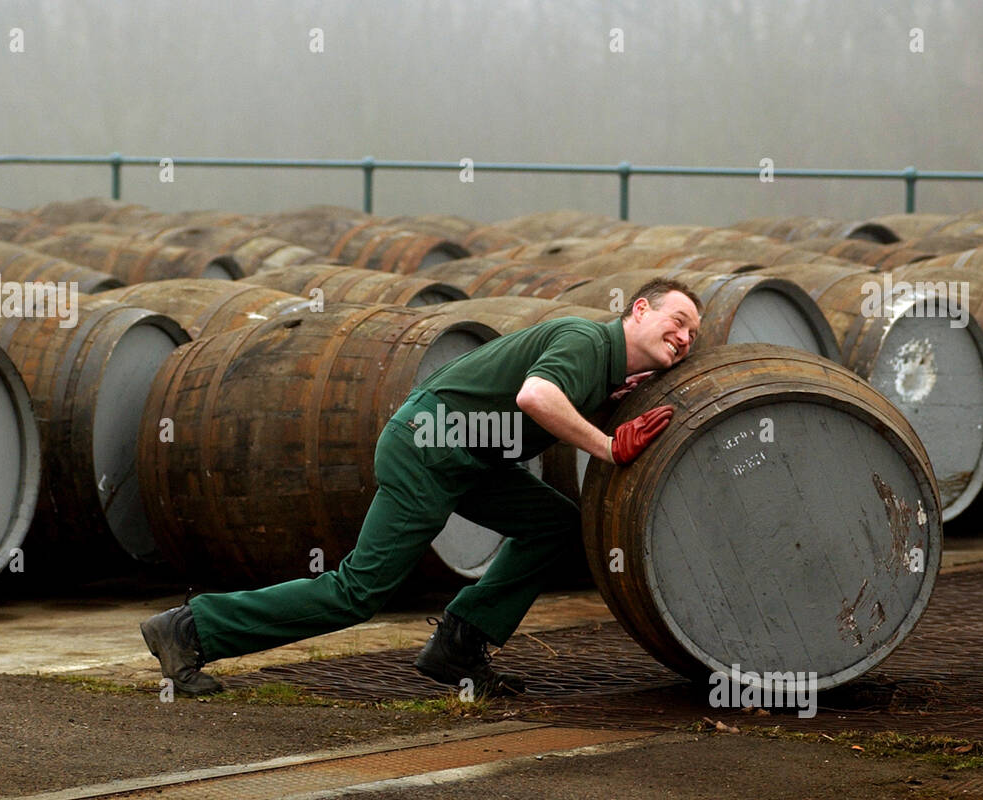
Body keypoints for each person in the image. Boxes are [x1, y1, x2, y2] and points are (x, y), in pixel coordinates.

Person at [141, 277, 703, 697]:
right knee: (360, 590)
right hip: (428, 447)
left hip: (469, 456)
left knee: (554, 525)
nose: (683, 336)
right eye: (676, 320)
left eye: (693, 335)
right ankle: (192, 629)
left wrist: (611, 398)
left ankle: (459, 645)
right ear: (639, 309)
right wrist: (607, 445)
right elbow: (535, 397)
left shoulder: (602, 367)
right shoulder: (584, 339)